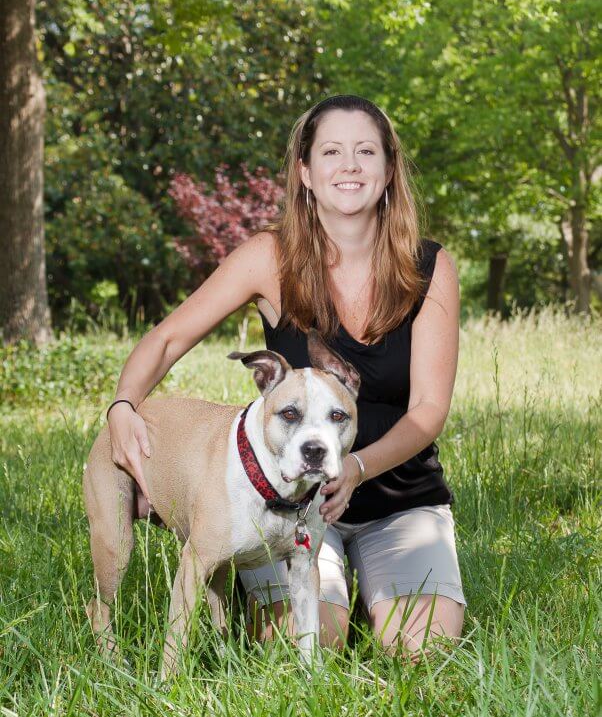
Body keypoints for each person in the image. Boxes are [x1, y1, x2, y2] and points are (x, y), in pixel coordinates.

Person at [107, 94, 465, 659]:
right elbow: (168, 338)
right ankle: (333, 603)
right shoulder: (269, 257)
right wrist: (124, 406)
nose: (349, 165)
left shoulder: (429, 267)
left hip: (399, 498)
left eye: (365, 151)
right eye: (332, 152)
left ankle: (376, 595)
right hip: (284, 505)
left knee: (422, 652)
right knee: (304, 647)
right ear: (305, 172)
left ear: (389, 169)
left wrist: (356, 467)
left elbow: (428, 410)